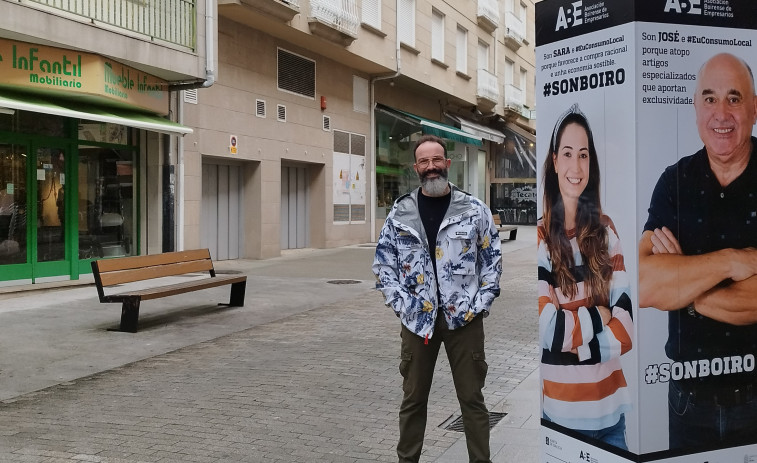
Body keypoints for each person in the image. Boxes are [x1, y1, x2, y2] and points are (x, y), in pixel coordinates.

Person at [640, 52, 757, 450]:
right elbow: (644, 285)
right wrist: (733, 261)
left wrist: (684, 286)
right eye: (709, 98)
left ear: (754, 108)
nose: (721, 112)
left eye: (734, 98)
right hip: (689, 401)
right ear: (695, 109)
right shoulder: (674, 182)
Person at [372, 134, 502, 463]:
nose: (432, 167)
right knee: (413, 401)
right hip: (418, 323)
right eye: (425, 162)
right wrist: (402, 304)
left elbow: (492, 260)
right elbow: (383, 264)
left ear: (447, 163)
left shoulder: (473, 210)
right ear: (416, 167)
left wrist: (480, 302)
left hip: (465, 321)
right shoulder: (400, 213)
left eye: (437, 160)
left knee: (472, 400)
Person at [538, 104, 633, 449]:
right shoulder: (541, 239)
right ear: (554, 162)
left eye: (584, 155)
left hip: (612, 422)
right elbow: (548, 330)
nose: (576, 166)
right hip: (561, 422)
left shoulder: (607, 234)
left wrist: (575, 351)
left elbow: (626, 331)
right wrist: (599, 314)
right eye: (567, 154)